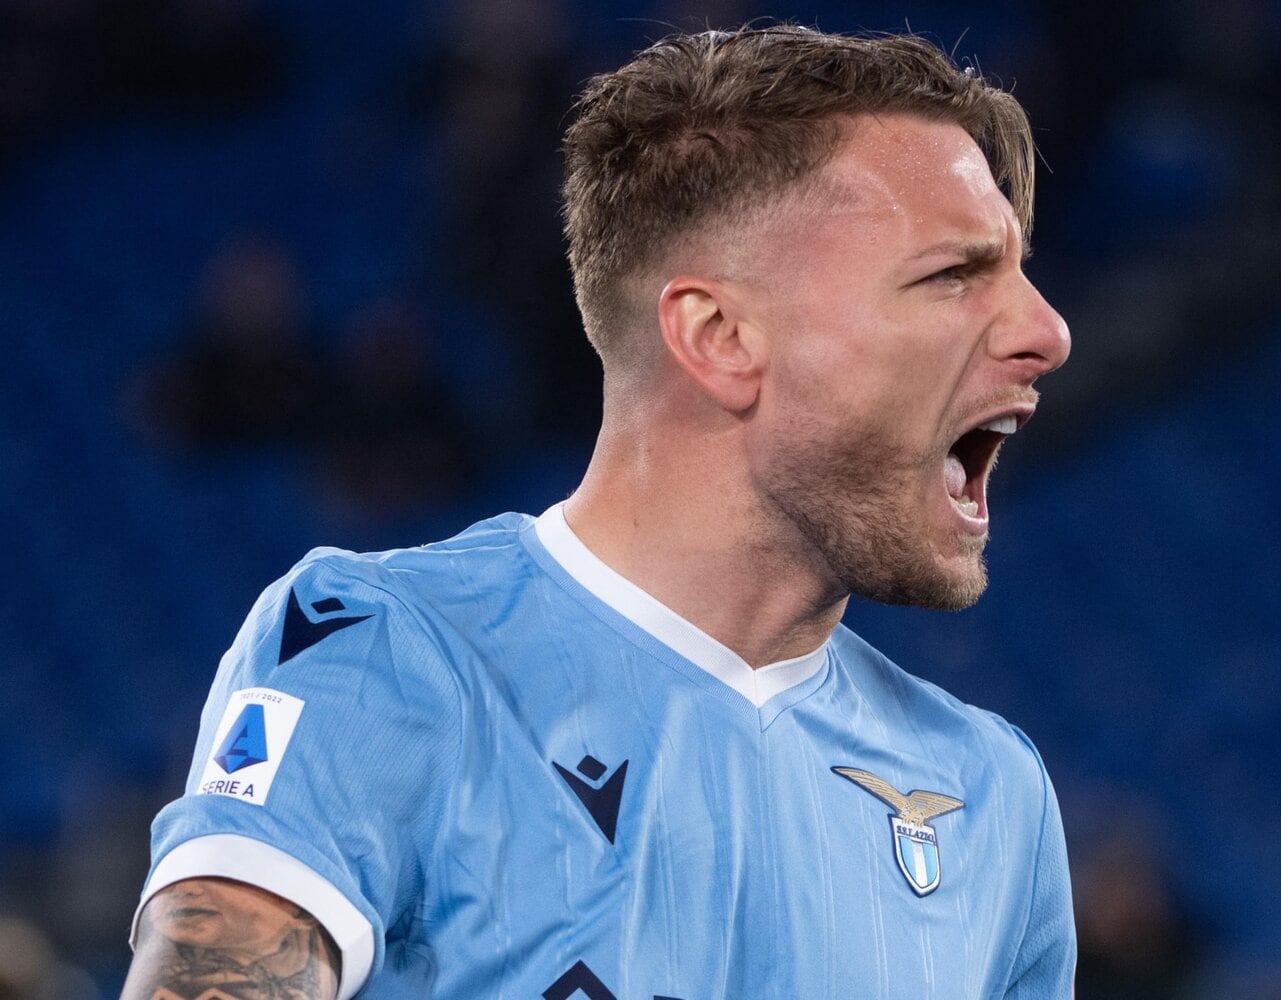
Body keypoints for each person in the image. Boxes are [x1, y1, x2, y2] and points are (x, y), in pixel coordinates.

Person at [120, 24, 1075, 1000]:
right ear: (719, 336)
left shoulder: (990, 796)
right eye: (951, 276)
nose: (1047, 331)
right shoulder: (385, 653)